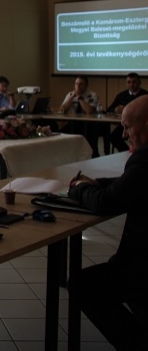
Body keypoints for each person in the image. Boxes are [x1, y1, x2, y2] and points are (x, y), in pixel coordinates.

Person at [67, 95, 148, 350]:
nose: (123, 135)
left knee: (82, 285)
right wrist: (97, 183)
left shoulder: (145, 158)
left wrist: (79, 189)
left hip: (142, 268)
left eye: (128, 127)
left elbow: (106, 202)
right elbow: (130, 185)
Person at [59, 76, 101, 157]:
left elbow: (89, 111)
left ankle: (90, 154)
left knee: (88, 130)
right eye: (76, 84)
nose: (78, 87)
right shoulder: (70, 94)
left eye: (81, 84)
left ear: (86, 85)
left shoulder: (93, 95)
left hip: (89, 124)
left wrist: (80, 98)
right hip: (73, 123)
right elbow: (62, 109)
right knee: (60, 131)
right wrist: (71, 97)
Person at [106, 72, 148, 152]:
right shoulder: (121, 95)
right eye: (129, 82)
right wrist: (115, 110)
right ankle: (126, 151)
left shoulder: (145, 95)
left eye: (134, 82)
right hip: (125, 125)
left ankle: (139, 152)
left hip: (141, 126)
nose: (131, 85)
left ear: (139, 82)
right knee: (114, 136)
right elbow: (109, 109)